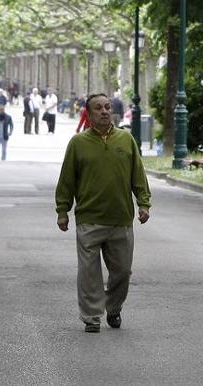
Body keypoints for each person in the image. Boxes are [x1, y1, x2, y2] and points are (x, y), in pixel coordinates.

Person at [55, 93, 151, 333]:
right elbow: (67, 179)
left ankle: (114, 307)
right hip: (89, 219)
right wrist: (63, 210)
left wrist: (144, 203)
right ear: (89, 113)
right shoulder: (78, 143)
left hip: (120, 219)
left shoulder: (126, 140)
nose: (105, 111)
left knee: (122, 271)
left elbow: (137, 175)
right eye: (98, 108)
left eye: (108, 107)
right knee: (89, 272)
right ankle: (91, 316)